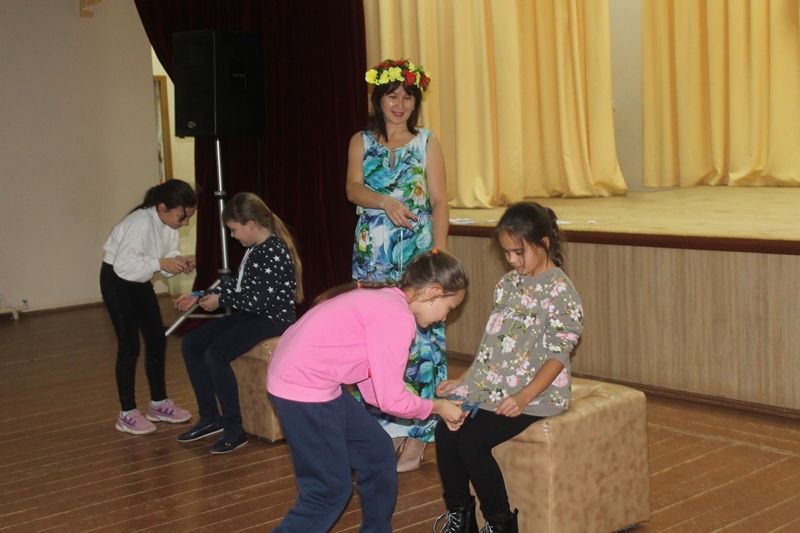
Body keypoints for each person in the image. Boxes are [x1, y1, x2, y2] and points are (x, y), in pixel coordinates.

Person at [267, 249, 469, 532]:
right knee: (328, 493)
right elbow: (391, 400)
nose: (445, 318)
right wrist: (437, 407)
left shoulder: (386, 301)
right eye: (450, 308)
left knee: (376, 452)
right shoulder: (396, 317)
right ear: (434, 292)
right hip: (304, 390)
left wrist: (425, 405)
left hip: (308, 382)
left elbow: (377, 393)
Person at [433, 202, 584, 533]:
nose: (513, 260)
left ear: (544, 243)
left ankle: (500, 523)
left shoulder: (561, 292)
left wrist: (523, 397)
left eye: (519, 252)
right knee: (446, 430)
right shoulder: (506, 284)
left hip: (536, 394)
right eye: (506, 253)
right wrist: (465, 380)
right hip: (493, 385)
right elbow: (493, 345)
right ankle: (461, 517)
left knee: (472, 442)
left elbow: (557, 356)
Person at [346, 58, 449, 472]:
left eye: (408, 97)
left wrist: (438, 255)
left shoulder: (426, 141)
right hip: (372, 259)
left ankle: (418, 437)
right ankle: (383, 431)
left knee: (420, 346)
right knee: (376, 347)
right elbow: (353, 189)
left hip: (417, 259)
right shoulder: (360, 141)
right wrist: (385, 201)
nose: (400, 104)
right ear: (379, 99)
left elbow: (439, 201)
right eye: (392, 96)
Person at [173, 192, 303, 454]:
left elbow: (259, 300)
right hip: (252, 315)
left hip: (272, 319)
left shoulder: (273, 251)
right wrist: (200, 294)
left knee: (216, 354)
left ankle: (234, 428)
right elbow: (239, 285)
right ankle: (210, 417)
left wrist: (221, 300)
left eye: (233, 230)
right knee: (192, 344)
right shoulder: (255, 249)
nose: (232, 236)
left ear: (251, 225)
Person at [100, 179, 198, 436]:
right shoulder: (140, 223)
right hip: (116, 280)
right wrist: (160, 264)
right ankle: (127, 413)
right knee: (129, 346)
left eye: (189, 217)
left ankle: (158, 404)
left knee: (156, 339)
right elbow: (124, 267)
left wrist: (176, 260)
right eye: (182, 217)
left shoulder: (168, 224)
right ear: (163, 208)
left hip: (139, 280)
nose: (185, 222)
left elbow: (165, 254)